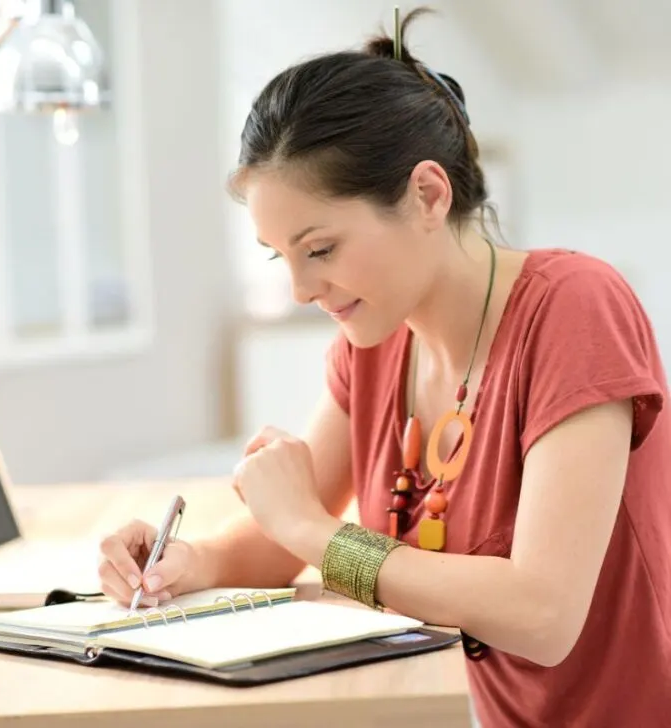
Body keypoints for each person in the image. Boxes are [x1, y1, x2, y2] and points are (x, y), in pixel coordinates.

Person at [97, 7, 671, 726]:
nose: (302, 290)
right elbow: (281, 535)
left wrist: (310, 530)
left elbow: (544, 615)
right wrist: (191, 561)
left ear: (428, 195)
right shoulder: (373, 345)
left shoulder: (575, 309)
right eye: (283, 257)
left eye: (321, 249)